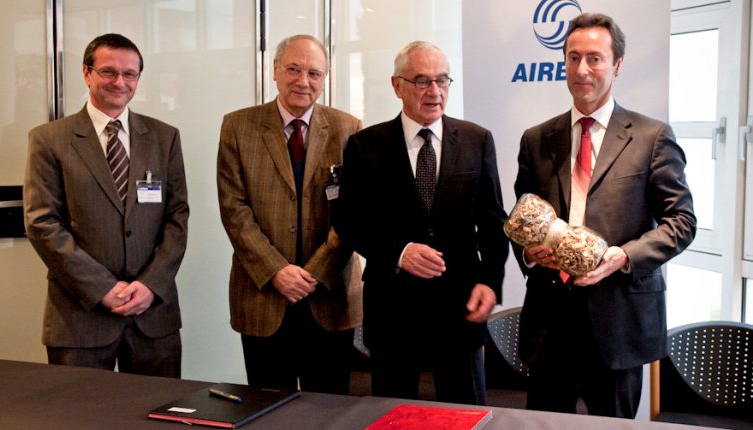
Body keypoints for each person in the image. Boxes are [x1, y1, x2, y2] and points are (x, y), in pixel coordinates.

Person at [514, 13, 696, 418]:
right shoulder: (536, 139)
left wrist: (625, 256)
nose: (582, 69)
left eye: (595, 58)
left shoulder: (652, 137)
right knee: (541, 425)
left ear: (616, 65)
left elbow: (681, 222)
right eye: (573, 57)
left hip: (619, 323)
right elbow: (521, 220)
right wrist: (529, 253)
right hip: (550, 321)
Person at [334, 41, 509, 405]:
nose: (434, 91)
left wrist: (490, 282)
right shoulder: (365, 146)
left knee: (464, 415)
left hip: (460, 307)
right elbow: (350, 220)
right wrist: (399, 252)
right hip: (393, 308)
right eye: (422, 81)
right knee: (392, 414)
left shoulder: (477, 140)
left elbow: (493, 221)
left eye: (442, 80)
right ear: (397, 85)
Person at [24, 33, 189, 377]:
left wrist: (151, 284)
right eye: (108, 72)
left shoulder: (164, 137)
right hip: (79, 319)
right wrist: (102, 288)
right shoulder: (49, 139)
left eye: (130, 74)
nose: (120, 82)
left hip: (153, 317)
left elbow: (177, 218)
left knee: (156, 418)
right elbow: (42, 224)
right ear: (87, 73)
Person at [216, 34, 363, 395]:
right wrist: (276, 270)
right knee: (266, 408)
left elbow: (354, 211)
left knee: (329, 411)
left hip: (330, 294)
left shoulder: (349, 129)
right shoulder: (238, 126)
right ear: (275, 71)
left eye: (314, 73)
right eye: (294, 70)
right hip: (263, 294)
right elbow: (233, 208)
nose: (303, 81)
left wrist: (315, 272)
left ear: (325, 78)